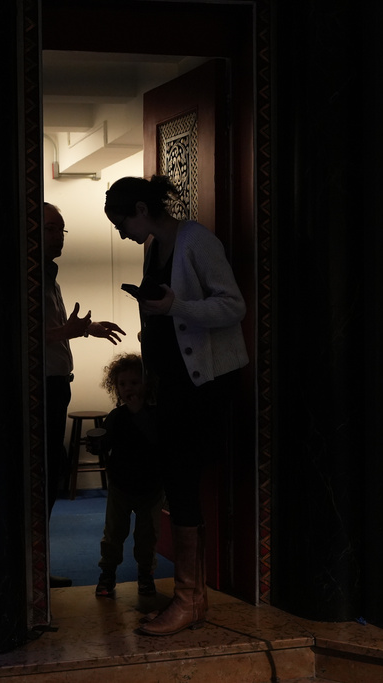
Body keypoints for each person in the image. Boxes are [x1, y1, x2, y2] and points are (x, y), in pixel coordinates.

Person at [103, 176, 248, 635]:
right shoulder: (154, 249)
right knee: (177, 480)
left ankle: (188, 599)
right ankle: (192, 597)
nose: (121, 231)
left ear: (142, 210)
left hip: (203, 384)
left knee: (183, 480)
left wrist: (175, 307)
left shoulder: (197, 241)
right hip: (173, 384)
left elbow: (233, 307)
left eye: (121, 221)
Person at [43, 202, 126, 588]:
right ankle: (30, 567)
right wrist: (69, 332)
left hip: (57, 383)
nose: (58, 236)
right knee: (42, 472)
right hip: (39, 386)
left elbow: (53, 326)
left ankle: (35, 566)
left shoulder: (48, 278)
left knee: (50, 470)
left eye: (62, 229)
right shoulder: (26, 275)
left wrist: (85, 328)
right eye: (51, 228)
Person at [90, 352, 163, 599]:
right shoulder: (116, 416)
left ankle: (145, 576)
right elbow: (107, 442)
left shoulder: (155, 414)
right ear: (116, 387)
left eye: (134, 382)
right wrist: (96, 445)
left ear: (146, 384)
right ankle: (107, 574)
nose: (128, 388)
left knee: (147, 536)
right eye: (122, 384)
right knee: (113, 535)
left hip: (150, 488)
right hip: (120, 486)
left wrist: (139, 412)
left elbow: (157, 439)